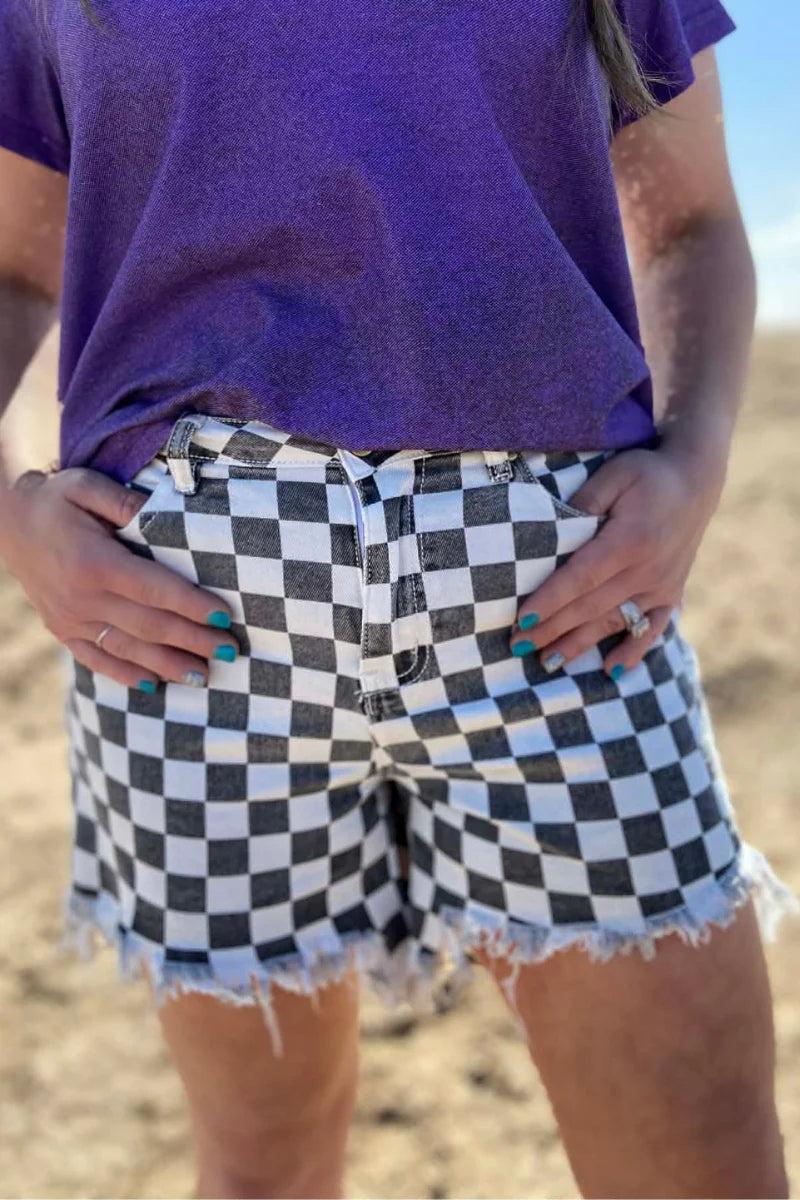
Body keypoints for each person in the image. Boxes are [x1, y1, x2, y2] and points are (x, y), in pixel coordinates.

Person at [0, 0, 797, 1195]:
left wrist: (694, 459)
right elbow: (15, 270)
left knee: (701, 1166)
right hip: (184, 638)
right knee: (263, 1165)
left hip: (564, 610)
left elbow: (689, 224)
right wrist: (12, 508)